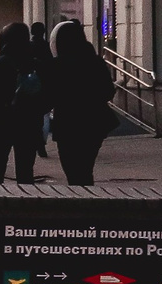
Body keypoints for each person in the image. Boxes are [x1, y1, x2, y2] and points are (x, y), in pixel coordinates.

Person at [0, 21, 46, 184]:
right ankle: (25, 197)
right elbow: (46, 97)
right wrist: (35, 114)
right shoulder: (35, 65)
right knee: (26, 171)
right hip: (28, 125)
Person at [47, 21, 116, 187]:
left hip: (67, 124)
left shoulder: (57, 65)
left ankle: (80, 198)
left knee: (72, 170)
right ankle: (87, 196)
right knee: (85, 168)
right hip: (94, 123)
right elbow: (108, 91)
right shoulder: (95, 61)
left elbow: (49, 96)